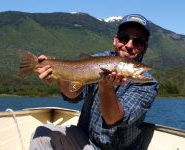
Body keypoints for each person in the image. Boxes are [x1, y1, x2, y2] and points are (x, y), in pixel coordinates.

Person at [30, 14, 158, 150]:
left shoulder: (148, 84)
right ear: (115, 40)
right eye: (124, 38)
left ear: (144, 47)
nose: (129, 45)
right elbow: (72, 94)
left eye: (137, 42)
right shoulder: (96, 60)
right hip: (84, 140)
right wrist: (57, 74)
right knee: (41, 134)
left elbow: (112, 119)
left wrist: (105, 85)